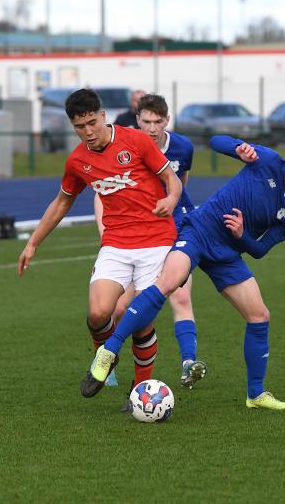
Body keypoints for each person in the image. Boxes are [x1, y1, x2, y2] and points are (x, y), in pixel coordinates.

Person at [82, 135, 285, 411]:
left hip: (228, 252)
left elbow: (260, 250)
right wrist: (238, 149)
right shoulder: (268, 160)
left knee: (259, 316)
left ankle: (255, 394)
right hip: (199, 230)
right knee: (169, 282)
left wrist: (242, 235)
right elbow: (214, 141)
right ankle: (109, 350)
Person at [16, 88, 182, 402]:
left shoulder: (136, 141)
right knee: (97, 313)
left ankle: (139, 390)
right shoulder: (78, 160)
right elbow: (62, 203)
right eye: (80, 126)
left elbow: (171, 179)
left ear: (103, 116)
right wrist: (33, 243)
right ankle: (106, 355)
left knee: (142, 320)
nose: (88, 132)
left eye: (92, 122)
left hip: (156, 240)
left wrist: (171, 198)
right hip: (116, 243)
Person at [94, 93, 206, 390]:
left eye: (159, 122)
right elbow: (101, 192)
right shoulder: (122, 146)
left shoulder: (183, 146)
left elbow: (180, 182)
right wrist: (105, 235)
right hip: (135, 234)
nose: (153, 128)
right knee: (119, 310)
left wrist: (172, 205)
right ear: (137, 120)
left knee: (180, 297)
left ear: (167, 120)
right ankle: (108, 358)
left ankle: (188, 363)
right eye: (147, 121)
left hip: (177, 226)